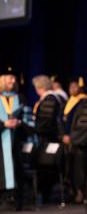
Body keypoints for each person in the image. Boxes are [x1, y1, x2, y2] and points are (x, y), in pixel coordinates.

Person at [31, 75, 62, 203]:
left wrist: (32, 128)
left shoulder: (50, 99)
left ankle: (45, 195)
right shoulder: (48, 99)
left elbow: (47, 121)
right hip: (46, 138)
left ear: (40, 87)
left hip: (49, 139)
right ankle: (43, 194)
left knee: (46, 167)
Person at [62, 77, 87, 203]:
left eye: (75, 87)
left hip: (80, 143)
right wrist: (62, 135)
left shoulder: (85, 103)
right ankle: (71, 191)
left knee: (79, 169)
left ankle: (81, 192)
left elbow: (85, 124)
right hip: (68, 142)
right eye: (70, 86)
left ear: (81, 88)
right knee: (69, 168)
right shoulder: (69, 102)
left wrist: (72, 138)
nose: (72, 89)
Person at [0, 66, 25, 210]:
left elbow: (29, 120)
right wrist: (4, 124)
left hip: (16, 141)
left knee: (16, 168)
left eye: (14, 78)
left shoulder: (20, 98)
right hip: (1, 141)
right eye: (10, 77)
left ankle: (15, 200)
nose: (13, 80)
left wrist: (19, 122)